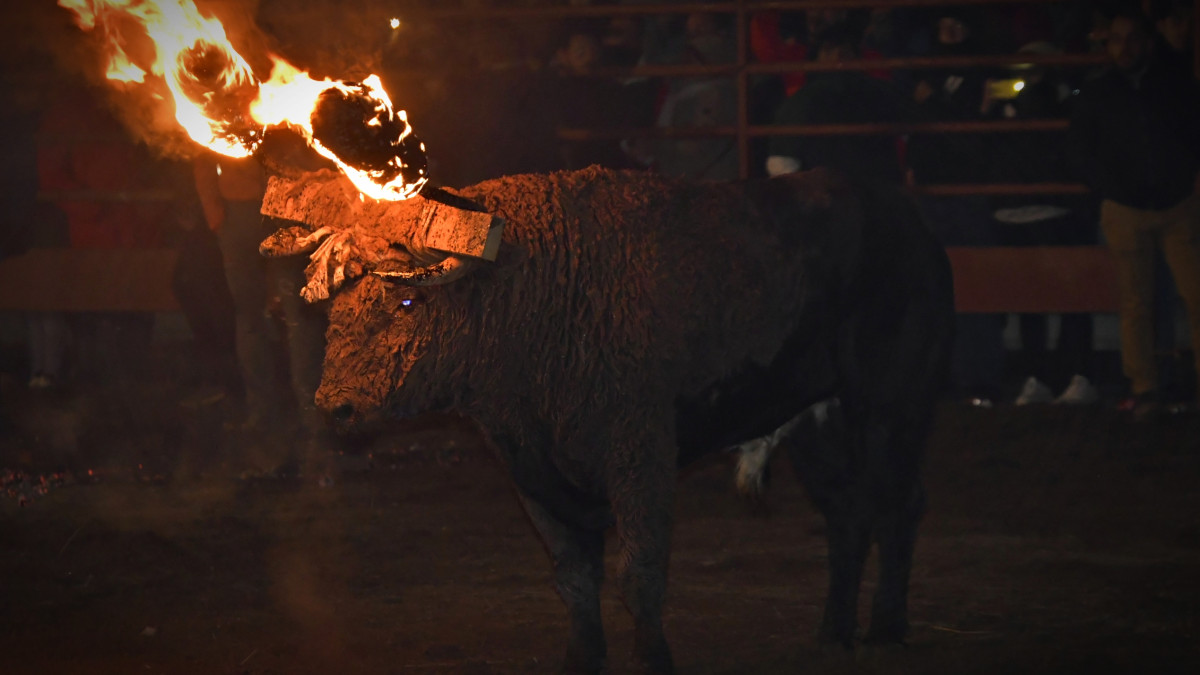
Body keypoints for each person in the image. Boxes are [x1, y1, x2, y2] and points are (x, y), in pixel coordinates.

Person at [1066, 6, 1200, 418]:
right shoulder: (1164, 83)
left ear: (1146, 43)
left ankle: (1145, 387)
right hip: (1146, 204)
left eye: (1131, 39)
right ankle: (1144, 384)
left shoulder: (1148, 85)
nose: (1124, 48)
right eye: (1118, 40)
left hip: (1161, 203)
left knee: (1166, 299)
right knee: (1143, 301)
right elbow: (1081, 153)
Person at [193, 150, 327, 471]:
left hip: (284, 211)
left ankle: (311, 414)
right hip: (239, 214)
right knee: (251, 316)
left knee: (298, 314)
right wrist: (215, 211)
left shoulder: (283, 103)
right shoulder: (221, 104)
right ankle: (263, 413)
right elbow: (201, 153)